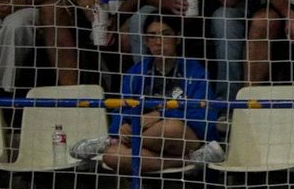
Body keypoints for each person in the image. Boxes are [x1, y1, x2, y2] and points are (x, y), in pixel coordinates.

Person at [73, 16, 225, 169]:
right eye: (152, 36)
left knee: (169, 128)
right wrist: (123, 126)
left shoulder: (196, 72)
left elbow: (205, 118)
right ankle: (191, 159)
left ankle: (112, 141)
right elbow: (120, 111)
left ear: (177, 38)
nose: (158, 42)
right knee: (112, 156)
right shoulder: (135, 74)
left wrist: (160, 115)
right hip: (146, 144)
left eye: (165, 34)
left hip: (183, 138)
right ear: (146, 41)